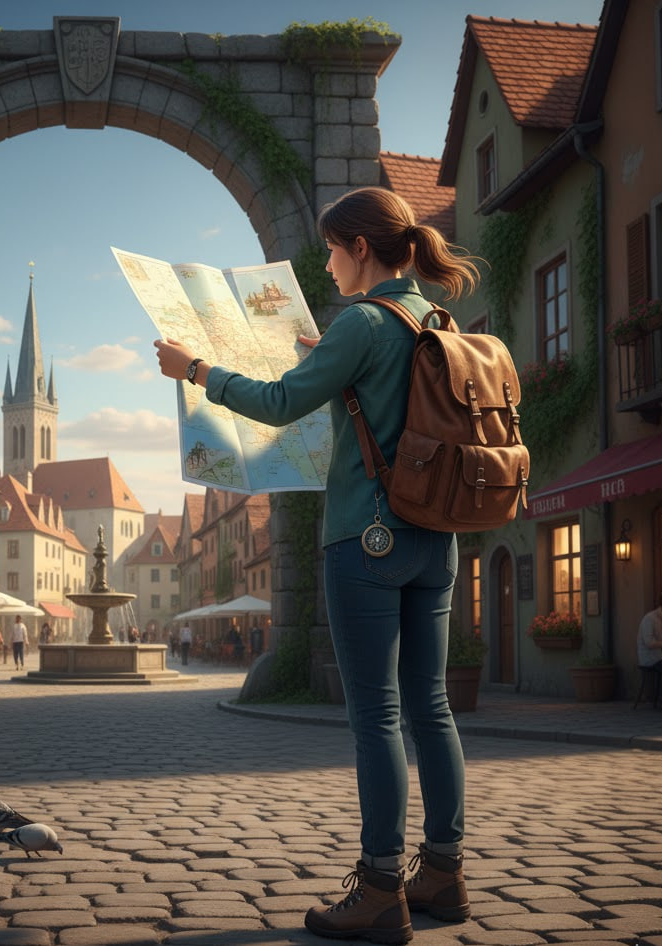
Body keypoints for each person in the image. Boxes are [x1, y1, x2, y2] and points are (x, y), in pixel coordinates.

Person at [155, 186, 479, 943]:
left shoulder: (362, 321)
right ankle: (443, 872)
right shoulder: (434, 317)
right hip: (437, 539)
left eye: (333, 249)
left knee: (377, 716)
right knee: (431, 706)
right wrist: (329, 362)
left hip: (366, 539)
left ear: (360, 248)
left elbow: (273, 403)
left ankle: (376, 889)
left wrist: (195, 368)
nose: (328, 263)